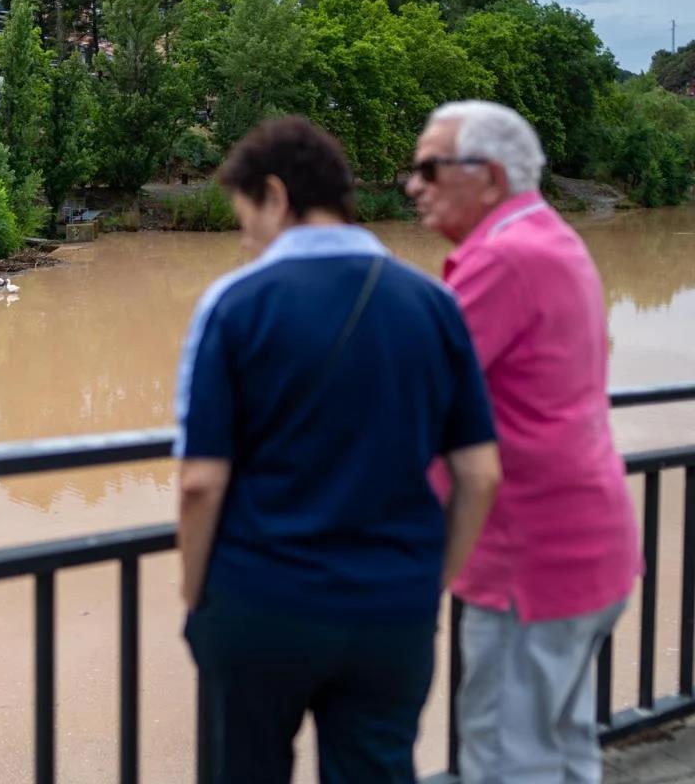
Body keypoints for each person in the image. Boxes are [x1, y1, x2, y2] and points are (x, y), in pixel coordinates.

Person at [175, 115, 502, 784]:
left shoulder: (235, 304)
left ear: (275, 195)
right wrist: (428, 580)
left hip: (260, 603)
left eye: (247, 218)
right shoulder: (435, 303)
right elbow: (479, 473)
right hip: (392, 610)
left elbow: (201, 481)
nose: (247, 238)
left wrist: (195, 595)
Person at [406, 100, 641, 784]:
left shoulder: (503, 258)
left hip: (529, 566)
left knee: (509, 763)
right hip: (586, 549)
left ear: (489, 176)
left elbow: (416, 397)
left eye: (429, 168)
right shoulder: (552, 239)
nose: (414, 185)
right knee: (564, 752)